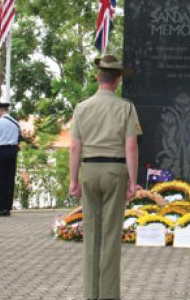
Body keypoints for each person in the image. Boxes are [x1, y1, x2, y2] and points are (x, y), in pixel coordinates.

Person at [69, 54, 142, 300]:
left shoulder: (82, 107)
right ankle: (108, 295)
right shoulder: (126, 107)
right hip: (115, 171)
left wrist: (73, 180)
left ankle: (91, 294)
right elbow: (131, 146)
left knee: (91, 233)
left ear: (98, 77)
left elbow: (74, 148)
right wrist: (133, 182)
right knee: (110, 235)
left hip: (89, 171)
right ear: (118, 79)